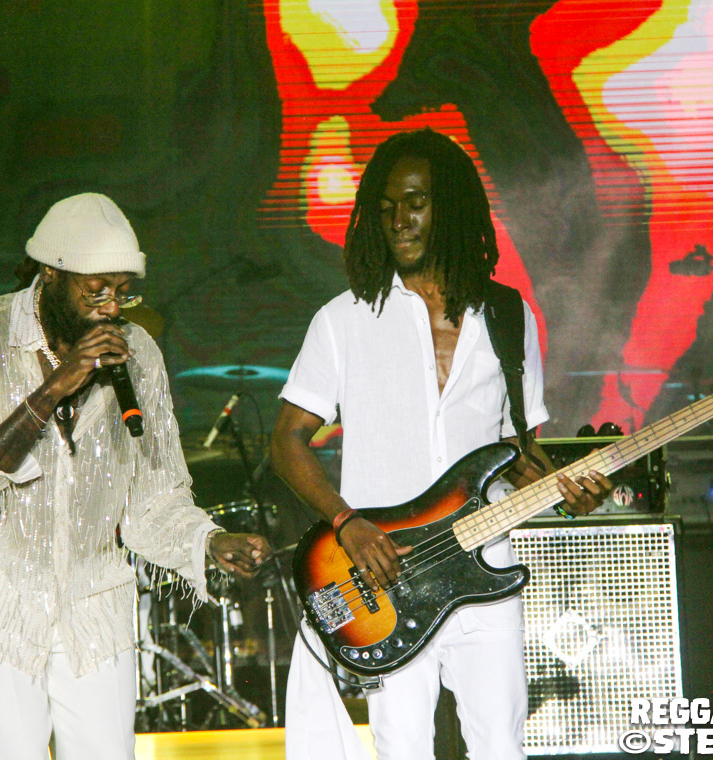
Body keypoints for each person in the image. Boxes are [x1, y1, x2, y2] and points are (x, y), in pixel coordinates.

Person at [271, 129, 613, 760]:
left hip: (484, 570)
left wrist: (567, 494)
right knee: (403, 749)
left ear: (450, 206)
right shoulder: (343, 320)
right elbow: (287, 441)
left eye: (416, 202)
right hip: (387, 576)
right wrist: (347, 524)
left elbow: (517, 457)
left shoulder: (508, 316)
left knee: (501, 748)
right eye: (386, 206)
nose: (398, 219)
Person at [0, 193, 270, 760]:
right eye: (95, 290)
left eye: (122, 291)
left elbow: (155, 497)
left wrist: (208, 541)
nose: (111, 307)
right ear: (51, 273)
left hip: (91, 596)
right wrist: (57, 386)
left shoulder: (138, 354)